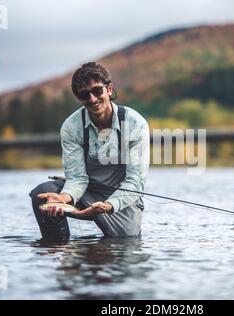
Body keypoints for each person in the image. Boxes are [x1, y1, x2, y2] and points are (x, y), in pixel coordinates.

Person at [29, 62, 150, 242]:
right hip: (83, 193)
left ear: (109, 89)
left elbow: (135, 181)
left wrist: (109, 205)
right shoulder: (71, 127)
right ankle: (59, 247)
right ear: (78, 97)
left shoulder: (135, 123)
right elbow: (77, 178)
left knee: (126, 242)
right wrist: (62, 198)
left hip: (120, 197)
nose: (92, 99)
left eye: (97, 91)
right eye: (84, 94)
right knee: (43, 194)